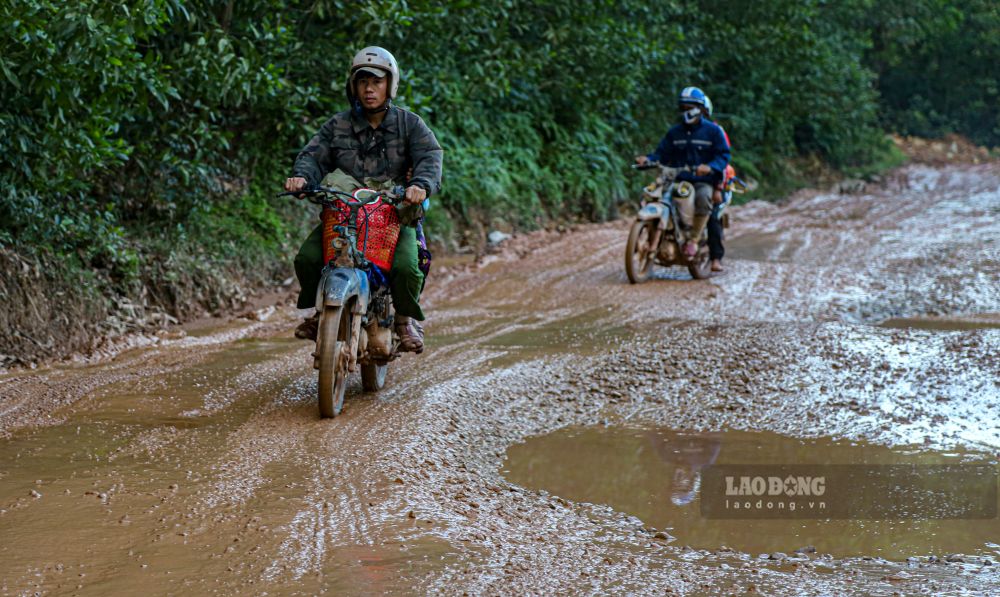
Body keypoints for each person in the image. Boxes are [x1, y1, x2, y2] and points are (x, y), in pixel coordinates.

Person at [284, 46, 442, 353]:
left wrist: (420, 186)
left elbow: (430, 157)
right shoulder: (338, 125)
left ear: (390, 84)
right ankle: (320, 313)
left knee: (410, 267)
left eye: (377, 82)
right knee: (307, 258)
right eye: (362, 82)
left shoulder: (410, 125)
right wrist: (302, 177)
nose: (369, 89)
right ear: (353, 86)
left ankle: (404, 320)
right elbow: (313, 156)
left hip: (393, 216)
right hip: (345, 216)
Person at [635, 86, 731, 261]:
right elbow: (662, 153)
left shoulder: (713, 131)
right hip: (677, 179)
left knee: (703, 198)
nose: (687, 111)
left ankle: (693, 239)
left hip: (702, 181)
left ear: (700, 109)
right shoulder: (674, 132)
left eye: (691, 107)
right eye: (683, 108)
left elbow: (723, 155)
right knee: (654, 194)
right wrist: (647, 159)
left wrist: (709, 167)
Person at [702, 95, 734, 272]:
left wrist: (718, 186)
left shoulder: (716, 132)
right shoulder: (682, 132)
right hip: (687, 179)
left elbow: (723, 160)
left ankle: (715, 256)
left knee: (711, 215)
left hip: (713, 180)